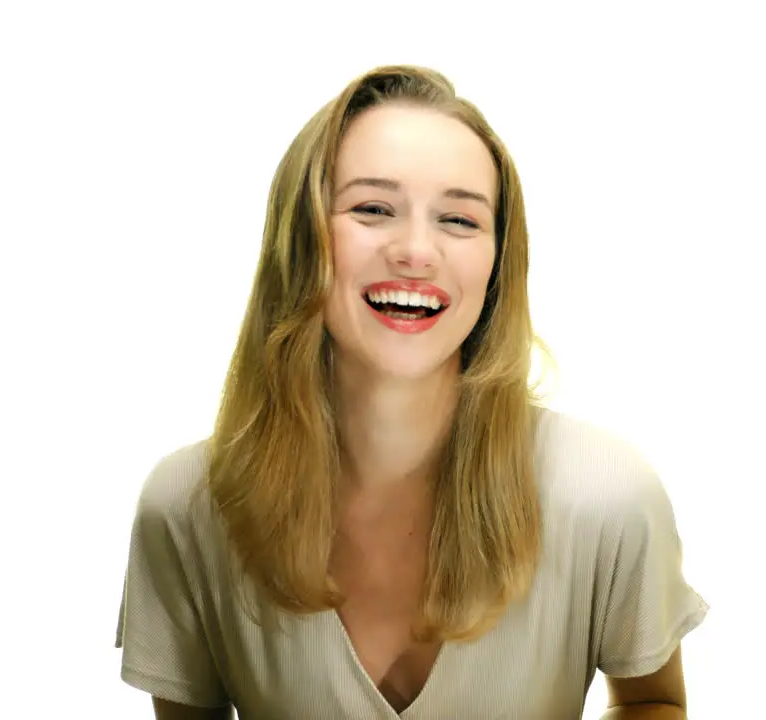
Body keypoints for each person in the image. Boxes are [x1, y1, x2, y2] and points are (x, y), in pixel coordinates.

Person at [114, 65, 708, 719]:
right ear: (301, 236)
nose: (417, 251)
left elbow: (652, 703)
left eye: (458, 218)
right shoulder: (187, 507)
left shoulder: (607, 496)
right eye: (373, 208)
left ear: (496, 261)